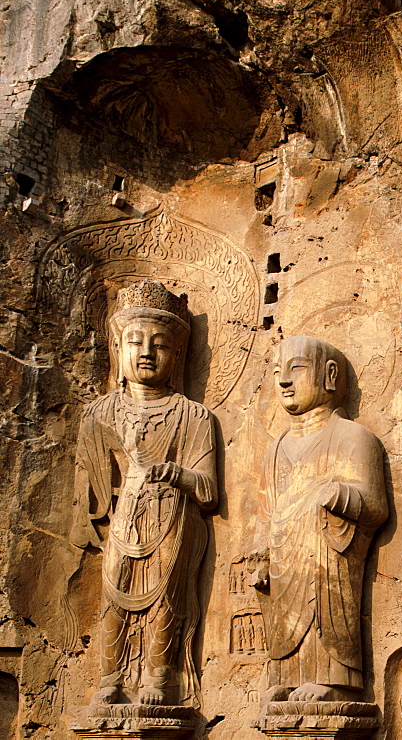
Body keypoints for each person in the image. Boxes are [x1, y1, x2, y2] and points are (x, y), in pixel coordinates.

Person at [72, 280, 217, 707]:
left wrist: (176, 474)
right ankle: (109, 677)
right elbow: (91, 484)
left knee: (167, 598)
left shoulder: (193, 415)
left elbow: (208, 490)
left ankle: (159, 677)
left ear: (178, 355)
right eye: (135, 341)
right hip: (125, 516)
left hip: (172, 516)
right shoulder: (101, 412)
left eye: (160, 344)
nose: (147, 352)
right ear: (119, 350)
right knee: (113, 595)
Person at [251, 336, 388, 703]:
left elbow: (375, 507)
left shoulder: (353, 437)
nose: (283, 381)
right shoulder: (275, 450)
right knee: (282, 616)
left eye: (296, 368)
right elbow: (266, 513)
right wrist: (261, 556)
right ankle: (285, 674)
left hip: (330, 554)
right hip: (284, 558)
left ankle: (335, 678)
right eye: (277, 372)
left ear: (329, 376)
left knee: (325, 600)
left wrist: (336, 494)